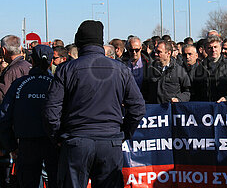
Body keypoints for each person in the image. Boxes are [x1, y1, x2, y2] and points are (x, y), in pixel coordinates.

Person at [42, 20, 146, 188]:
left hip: (77, 141)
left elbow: (51, 111)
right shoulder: (121, 69)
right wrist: (123, 133)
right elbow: (138, 107)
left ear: (79, 43)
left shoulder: (66, 69)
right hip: (108, 141)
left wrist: (59, 137)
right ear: (100, 42)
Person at [0, 45, 58, 188]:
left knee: (28, 182)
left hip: (27, 144)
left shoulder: (20, 84)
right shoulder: (57, 83)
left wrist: (11, 146)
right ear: (51, 62)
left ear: (31, 60)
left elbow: (4, 116)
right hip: (53, 142)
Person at [192, 35, 227, 102]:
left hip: (225, 107)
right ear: (205, 49)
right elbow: (195, 90)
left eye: (215, 47)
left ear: (220, 48)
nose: (213, 50)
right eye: (210, 47)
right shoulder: (200, 68)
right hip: (205, 108)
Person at [0, 35, 32, 103]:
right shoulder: (29, 66)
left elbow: (3, 97)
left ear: (4, 50)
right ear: (20, 48)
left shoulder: (11, 71)